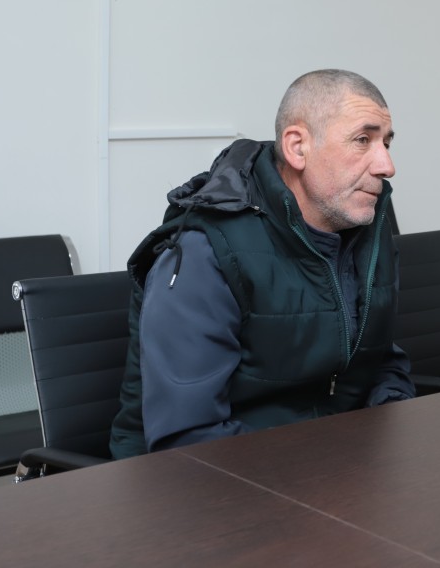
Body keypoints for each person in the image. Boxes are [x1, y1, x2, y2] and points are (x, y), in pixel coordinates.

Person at [109, 69, 414, 457]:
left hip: (331, 462)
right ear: (298, 147)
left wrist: (391, 427)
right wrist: (325, 466)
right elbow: (187, 439)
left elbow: (381, 360)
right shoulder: (205, 251)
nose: (386, 165)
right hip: (203, 475)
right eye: (362, 140)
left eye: (386, 142)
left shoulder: (367, 229)